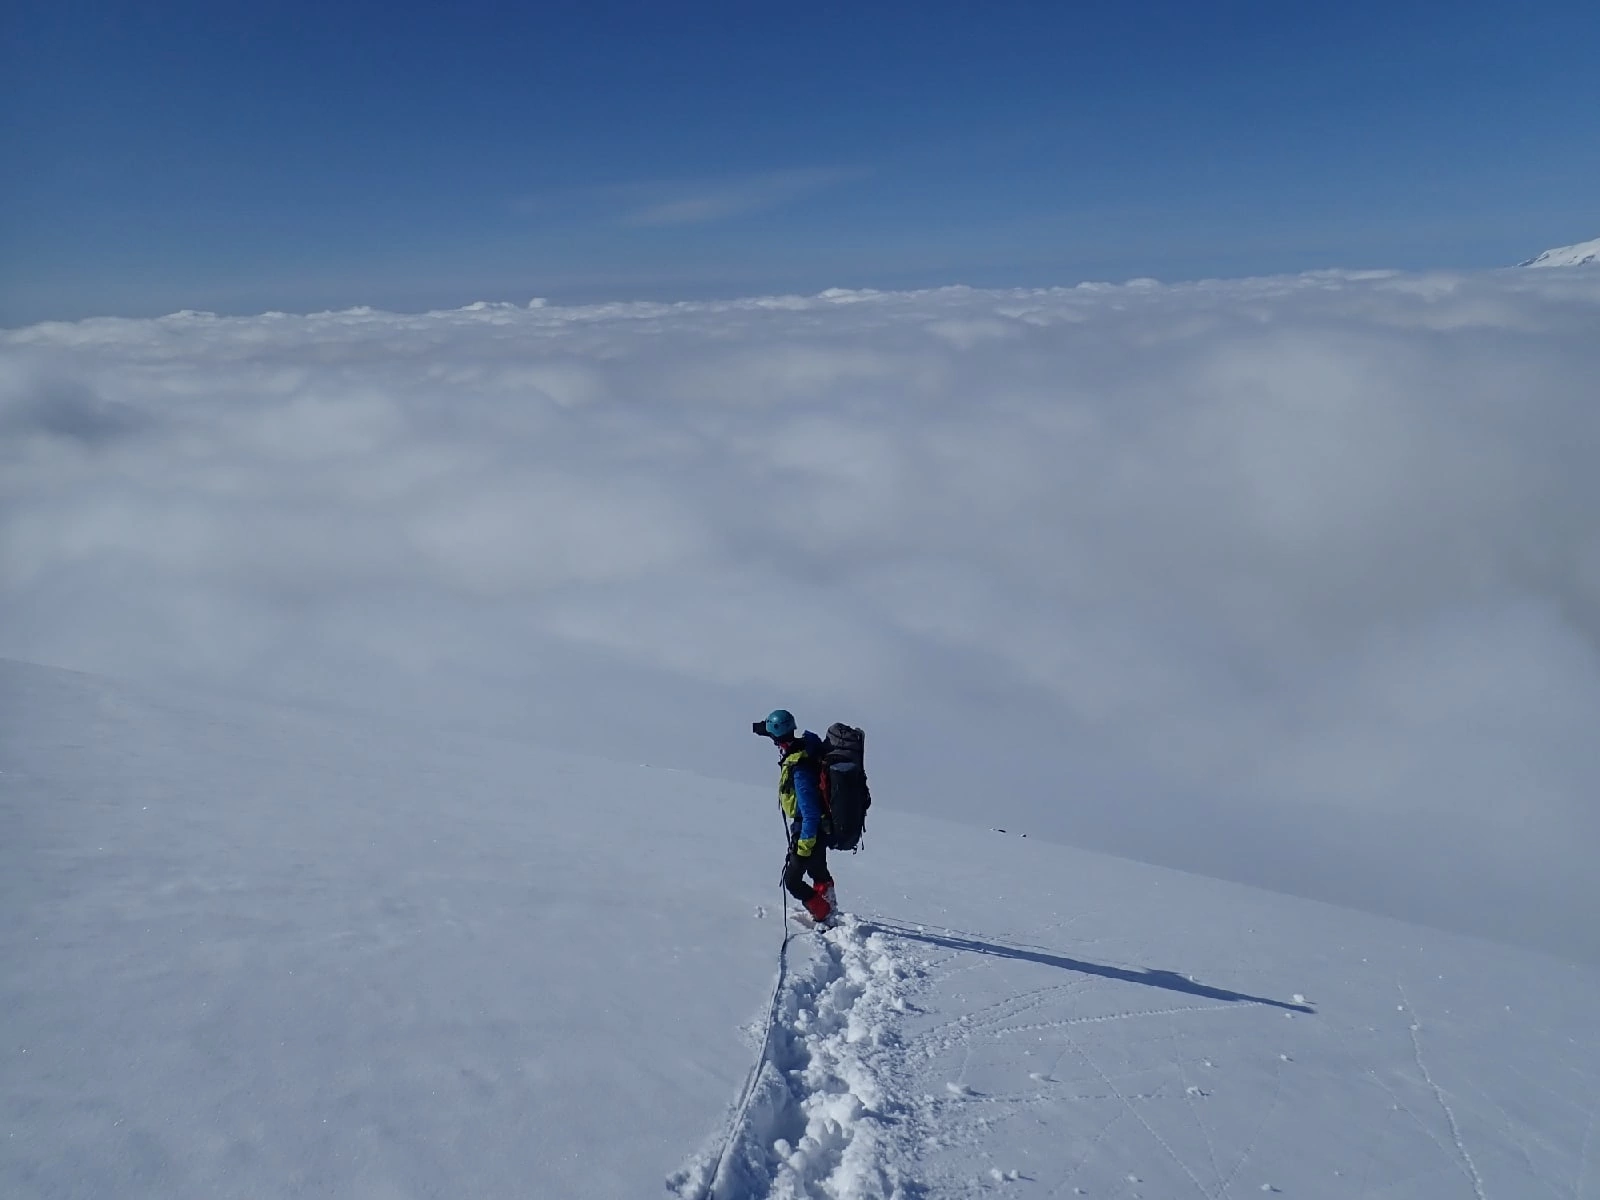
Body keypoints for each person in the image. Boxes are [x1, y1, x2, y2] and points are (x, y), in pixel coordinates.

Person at [752, 709, 835, 922]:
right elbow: (773, 731)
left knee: (792, 880)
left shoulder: (800, 766)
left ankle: (824, 913)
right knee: (818, 871)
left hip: (810, 830)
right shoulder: (805, 750)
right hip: (819, 828)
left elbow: (810, 812)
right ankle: (828, 908)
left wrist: (804, 845)